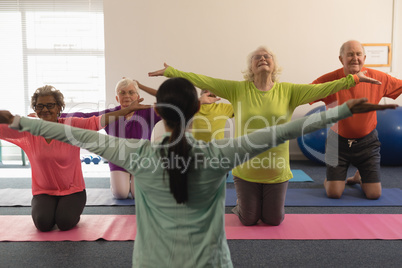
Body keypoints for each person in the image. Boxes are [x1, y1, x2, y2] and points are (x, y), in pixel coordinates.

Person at [0, 78, 395, 267]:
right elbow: (284, 131)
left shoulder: (136, 154)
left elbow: (63, 130)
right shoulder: (219, 154)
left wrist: (20, 121)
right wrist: (344, 110)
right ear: (195, 112)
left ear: (160, 113)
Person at [148, 45, 382, 226]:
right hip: (245, 169)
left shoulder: (289, 91)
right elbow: (202, 80)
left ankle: (261, 202)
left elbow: (323, 89)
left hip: (276, 170)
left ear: (274, 65)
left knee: (273, 220)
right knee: (249, 220)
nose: (262, 58)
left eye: (267, 56)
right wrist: (171, 72)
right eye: (257, 57)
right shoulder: (237, 89)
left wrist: (353, 78)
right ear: (250, 67)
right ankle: (242, 205)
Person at [0, 85, 149, 232]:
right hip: (44, 192)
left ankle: (68, 209)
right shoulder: (28, 131)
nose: (45, 109)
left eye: (50, 105)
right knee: (43, 224)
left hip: (72, 191)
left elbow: (97, 121)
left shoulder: (71, 126)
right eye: (40, 106)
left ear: (59, 108)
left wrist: (126, 110)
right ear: (35, 109)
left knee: (64, 223)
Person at [311, 40, 402, 200]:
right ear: (341, 59)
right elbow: (304, 94)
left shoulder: (377, 78)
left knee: (374, 194)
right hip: (337, 144)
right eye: (350, 54)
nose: (355, 58)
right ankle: (331, 179)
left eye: (358, 54)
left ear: (364, 58)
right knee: (334, 193)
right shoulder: (330, 80)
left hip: (367, 144)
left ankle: (359, 176)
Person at [60, 78, 161, 199]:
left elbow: (173, 109)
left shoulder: (148, 112)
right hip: (118, 160)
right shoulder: (110, 114)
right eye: (122, 93)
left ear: (138, 96)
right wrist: (55, 115)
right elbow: (84, 116)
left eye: (131, 92)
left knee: (138, 195)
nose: (127, 96)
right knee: (121, 194)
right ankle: (118, 182)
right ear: (117, 98)